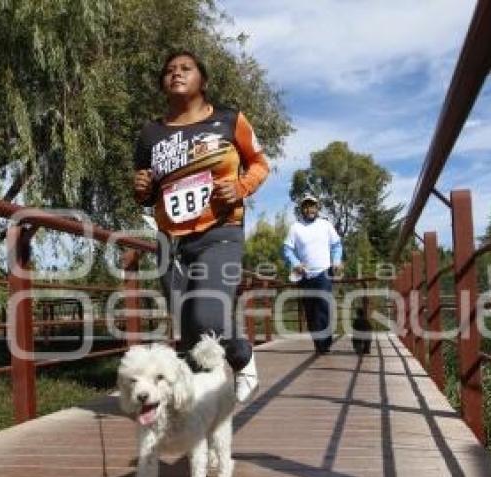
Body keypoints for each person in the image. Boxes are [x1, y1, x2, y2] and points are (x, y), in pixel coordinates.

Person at [132, 50, 270, 402]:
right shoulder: (150, 134)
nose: (176, 73)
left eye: (186, 68)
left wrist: (240, 187)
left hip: (219, 232)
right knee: (189, 325)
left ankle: (242, 357)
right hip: (170, 241)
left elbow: (259, 163)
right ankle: (201, 403)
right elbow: (147, 192)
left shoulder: (228, 119)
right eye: (169, 70)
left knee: (206, 313)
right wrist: (143, 191)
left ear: (203, 81)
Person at [282, 193, 343, 354]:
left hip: (324, 272)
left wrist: (336, 261)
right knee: (310, 311)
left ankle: (325, 344)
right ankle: (319, 344)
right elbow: (287, 250)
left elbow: (337, 245)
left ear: (317, 208)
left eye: (313, 206)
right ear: (302, 209)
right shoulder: (295, 227)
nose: (310, 209)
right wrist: (296, 264)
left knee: (324, 308)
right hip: (305, 276)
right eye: (307, 206)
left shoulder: (325, 225)